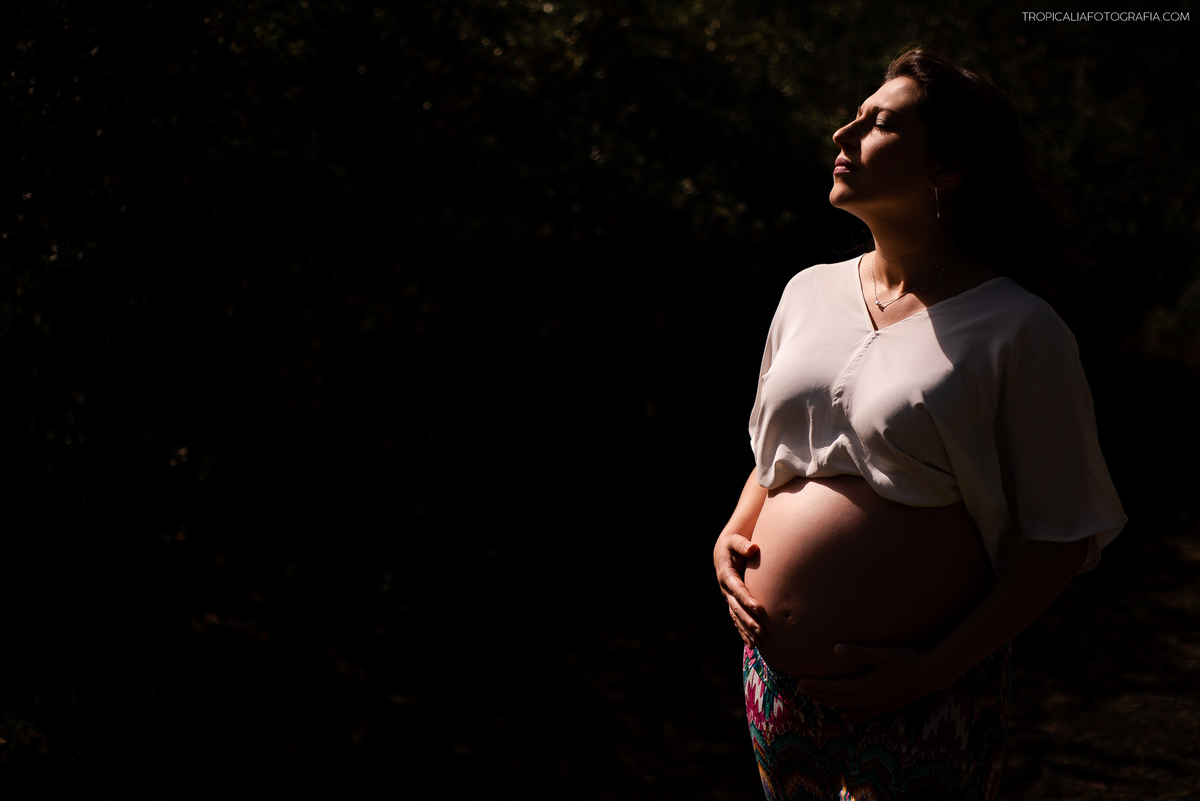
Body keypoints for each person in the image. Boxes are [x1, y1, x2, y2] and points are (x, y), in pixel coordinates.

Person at [713, 49, 1126, 801]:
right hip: (775, 681)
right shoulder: (807, 292)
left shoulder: (1018, 327)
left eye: (878, 124)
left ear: (947, 169)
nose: (842, 133)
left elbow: (1062, 534)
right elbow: (777, 454)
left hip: (927, 690)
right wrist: (732, 534)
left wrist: (933, 669)